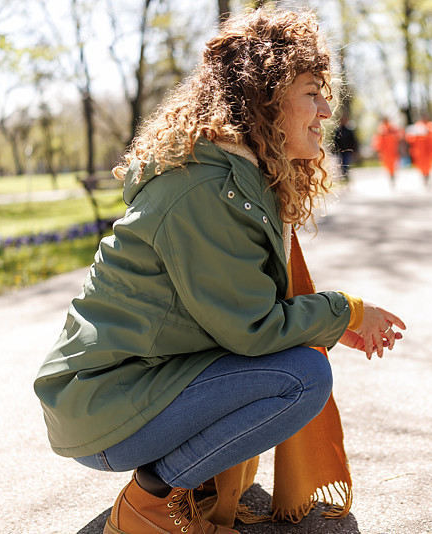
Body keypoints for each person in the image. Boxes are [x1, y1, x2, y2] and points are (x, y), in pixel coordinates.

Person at [33, 9, 405, 534]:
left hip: (122, 388)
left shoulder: (232, 174)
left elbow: (238, 309)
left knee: (294, 363)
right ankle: (149, 502)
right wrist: (346, 312)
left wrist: (331, 323)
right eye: (311, 93)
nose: (326, 109)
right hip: (100, 403)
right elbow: (253, 328)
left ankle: (188, 482)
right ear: (265, 97)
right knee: (301, 377)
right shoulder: (207, 188)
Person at [405, 115, 432, 187]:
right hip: (419, 152)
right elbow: (410, 139)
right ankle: (424, 176)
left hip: (429, 151)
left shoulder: (431, 126)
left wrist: (428, 133)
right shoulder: (417, 126)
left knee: (429, 165)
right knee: (421, 166)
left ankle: (427, 176)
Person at [370, 116, 403, 185]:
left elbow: (399, 136)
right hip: (385, 152)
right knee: (387, 165)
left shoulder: (392, 127)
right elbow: (378, 140)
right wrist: (377, 148)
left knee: (393, 165)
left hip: (392, 150)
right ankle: (391, 175)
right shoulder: (381, 129)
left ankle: (392, 175)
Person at [331, 113, 359, 182]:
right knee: (340, 165)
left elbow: (353, 142)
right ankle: (343, 177)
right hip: (339, 152)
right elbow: (334, 141)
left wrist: (355, 151)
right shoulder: (337, 131)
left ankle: (346, 177)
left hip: (347, 152)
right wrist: (333, 150)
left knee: (345, 164)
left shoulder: (349, 131)